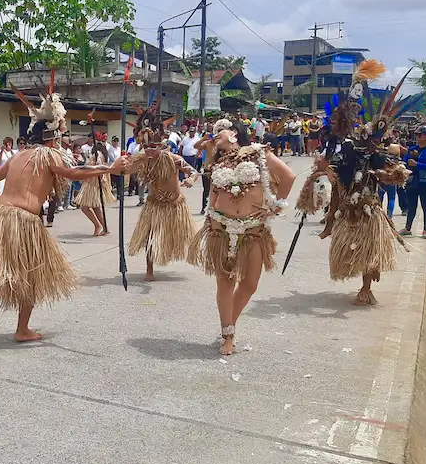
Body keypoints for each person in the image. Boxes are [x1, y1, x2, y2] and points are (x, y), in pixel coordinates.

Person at [0, 92, 127, 341]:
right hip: (25, 221)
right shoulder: (49, 155)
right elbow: (72, 172)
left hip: (1, 215)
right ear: (51, 137)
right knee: (33, 274)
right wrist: (108, 168)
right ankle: (22, 329)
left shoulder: (17, 156)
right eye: (60, 134)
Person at [188, 120, 296, 355]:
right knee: (224, 282)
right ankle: (228, 334)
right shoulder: (218, 161)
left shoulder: (259, 154)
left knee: (250, 283)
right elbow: (213, 193)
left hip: (253, 231)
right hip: (221, 230)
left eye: (220, 131)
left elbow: (288, 177)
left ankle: (230, 323)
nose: (216, 135)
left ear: (235, 133)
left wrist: (276, 206)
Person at [318, 59, 412, 305]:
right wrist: (325, 171)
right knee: (348, 238)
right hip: (347, 205)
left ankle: (366, 286)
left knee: (370, 249)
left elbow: (389, 175)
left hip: (370, 209)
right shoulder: (347, 152)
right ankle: (330, 227)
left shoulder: (377, 156)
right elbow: (334, 176)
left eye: (372, 142)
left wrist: (393, 175)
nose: (367, 145)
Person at [127, 107, 199, 281]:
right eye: (146, 147)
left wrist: (190, 179)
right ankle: (149, 270)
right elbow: (124, 170)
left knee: (181, 238)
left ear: (161, 145)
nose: (149, 151)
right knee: (150, 237)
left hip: (175, 205)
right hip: (155, 205)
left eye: (153, 147)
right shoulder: (142, 160)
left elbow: (193, 172)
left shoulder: (173, 159)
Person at [398, 126, 426, 238]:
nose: (417, 137)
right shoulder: (413, 149)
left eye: (420, 135)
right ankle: (408, 228)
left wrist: (417, 163)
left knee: (425, 205)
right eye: (416, 134)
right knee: (411, 205)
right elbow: (404, 161)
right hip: (412, 180)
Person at [74, 137, 115, 236]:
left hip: (92, 184)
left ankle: (98, 225)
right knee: (95, 207)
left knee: (85, 207)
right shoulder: (99, 156)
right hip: (93, 183)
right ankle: (104, 227)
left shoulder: (98, 156)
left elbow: (98, 169)